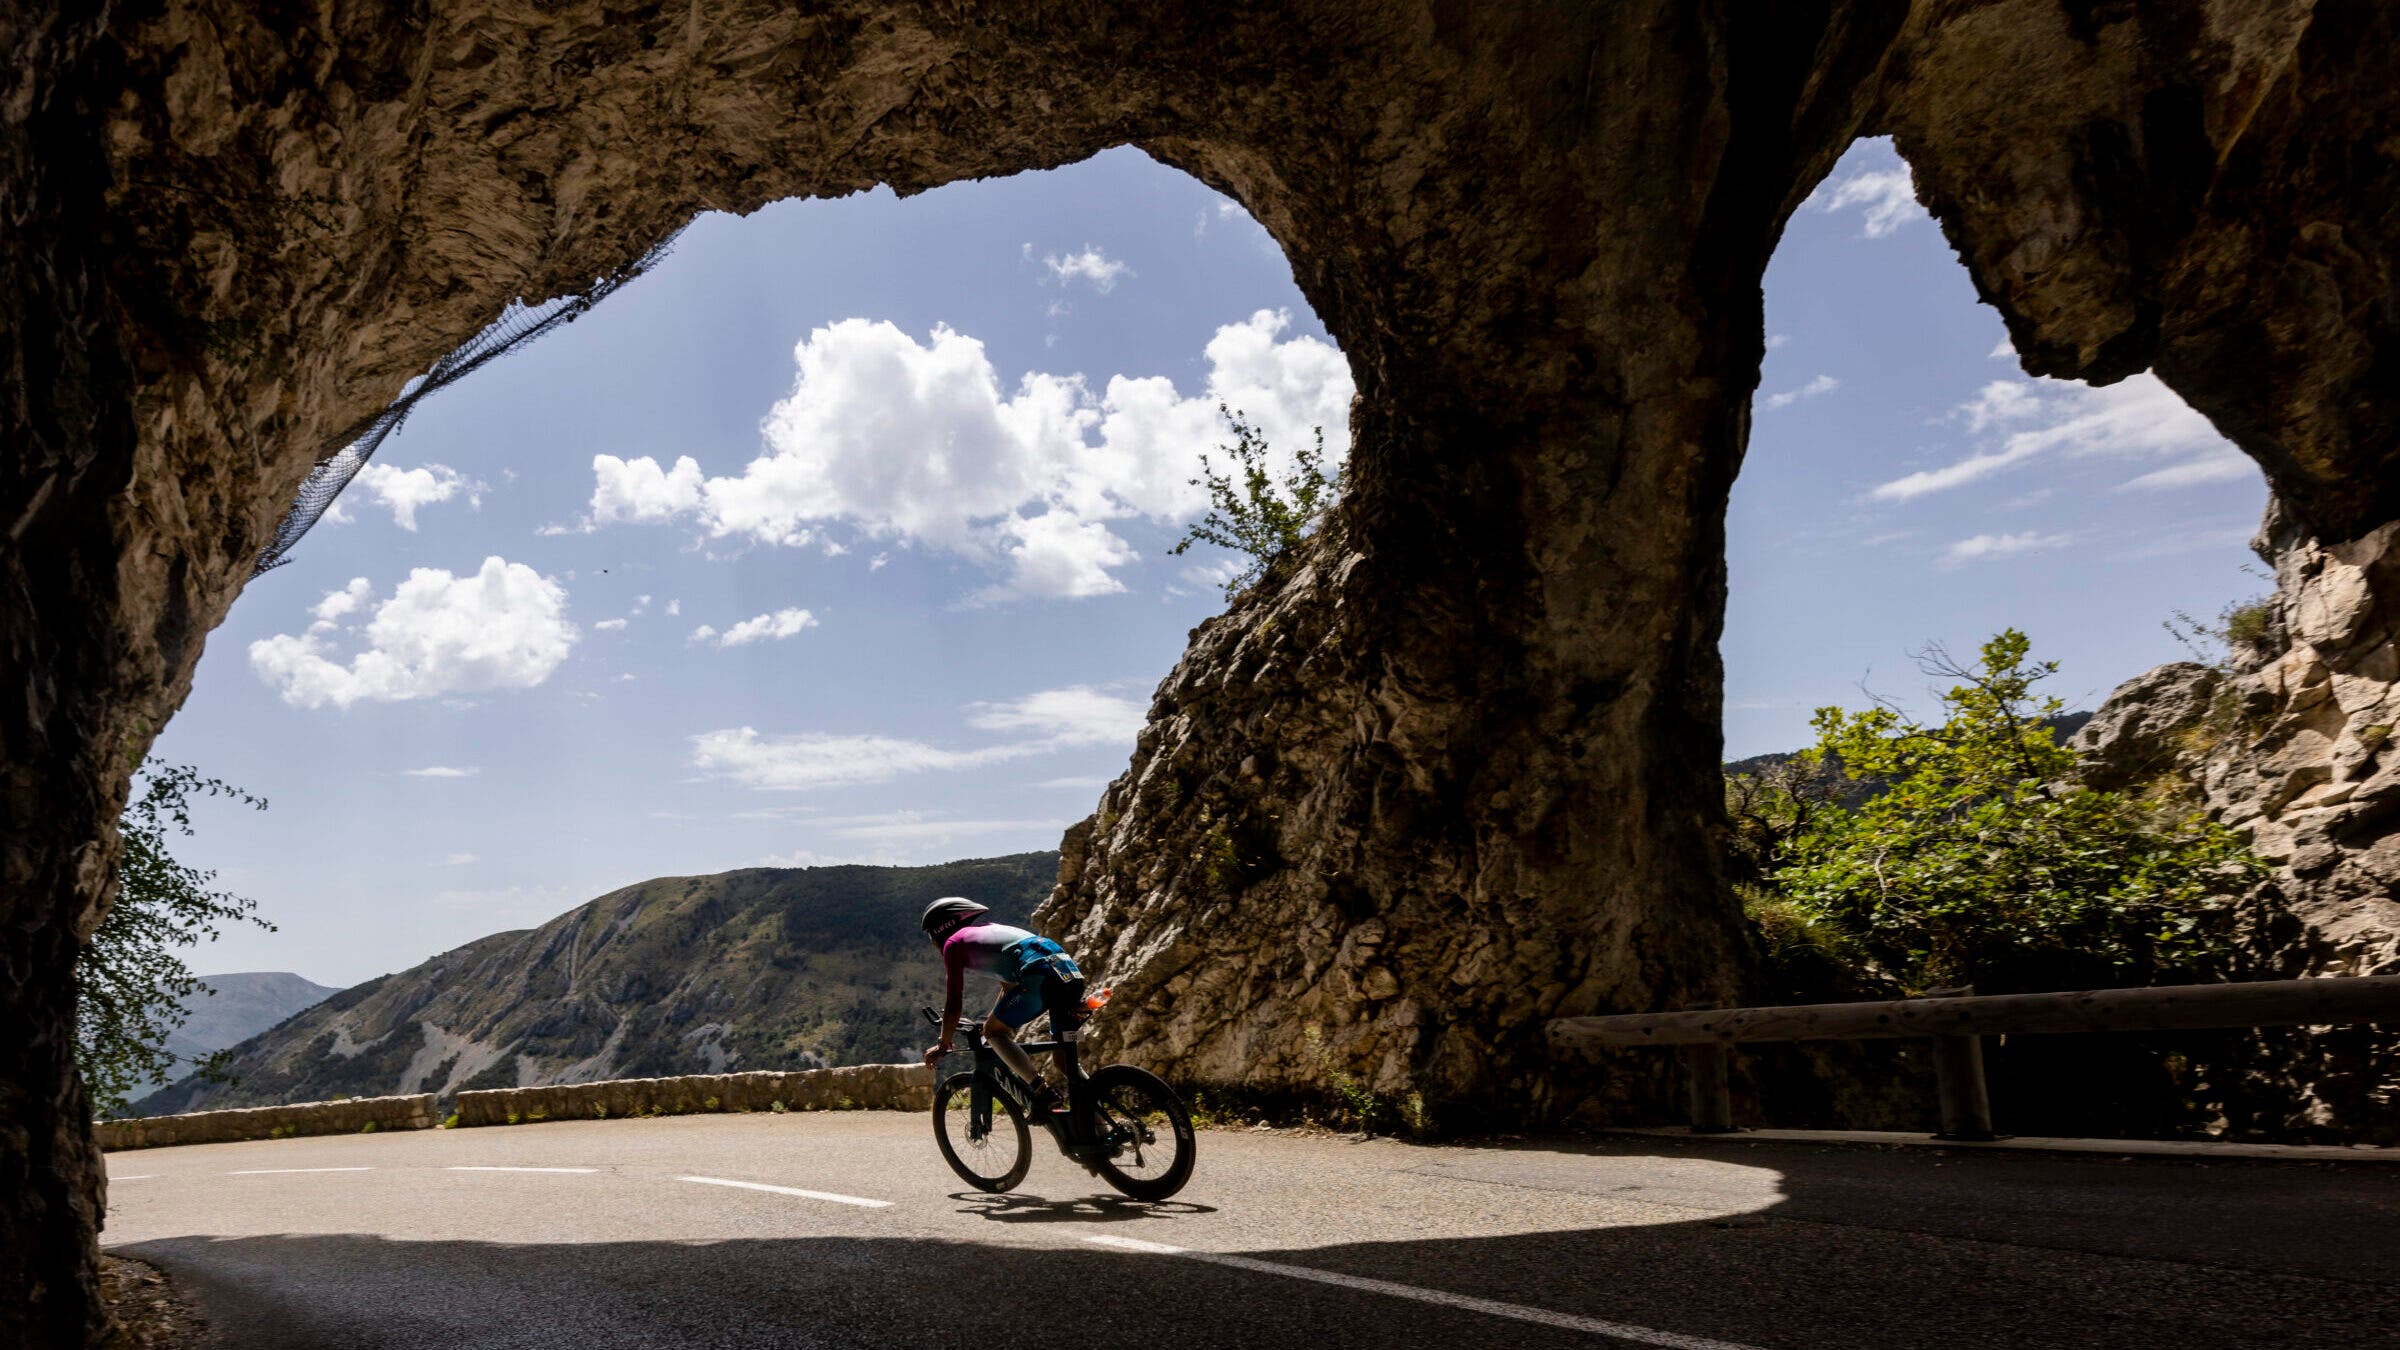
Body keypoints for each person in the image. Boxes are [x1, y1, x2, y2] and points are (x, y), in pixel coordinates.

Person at [919, 897, 1087, 1116]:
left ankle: (1041, 1090)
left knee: (994, 1033)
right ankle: (1099, 1122)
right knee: (1064, 1060)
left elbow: (953, 1003)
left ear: (939, 930)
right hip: (1067, 971)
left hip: (1038, 974)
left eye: (931, 938)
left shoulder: (953, 944)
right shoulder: (990, 932)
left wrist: (944, 1044)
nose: (933, 944)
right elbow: (1008, 987)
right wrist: (991, 1019)